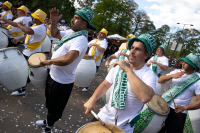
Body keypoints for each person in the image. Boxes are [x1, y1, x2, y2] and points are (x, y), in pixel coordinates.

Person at [35, 7, 94, 133]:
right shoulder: (72, 32)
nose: (72, 20)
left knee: (55, 107)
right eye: (74, 17)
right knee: (50, 103)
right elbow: (54, 34)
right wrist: (54, 21)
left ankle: (49, 127)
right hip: (53, 75)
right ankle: (48, 121)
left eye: (76, 18)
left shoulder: (81, 40)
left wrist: (48, 61)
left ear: (84, 23)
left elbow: (68, 59)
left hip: (62, 81)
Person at [83, 34, 157, 133]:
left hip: (123, 127)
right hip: (103, 117)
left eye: (138, 49)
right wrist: (92, 99)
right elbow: (105, 85)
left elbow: (145, 97)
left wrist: (127, 69)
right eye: (132, 48)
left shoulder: (149, 75)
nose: (132, 51)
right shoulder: (119, 66)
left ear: (146, 55)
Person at [158, 53, 200, 133]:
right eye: (183, 61)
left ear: (193, 66)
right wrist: (171, 76)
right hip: (164, 107)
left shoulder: (197, 80)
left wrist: (184, 107)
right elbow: (159, 80)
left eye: (186, 62)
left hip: (179, 113)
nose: (183, 63)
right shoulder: (176, 71)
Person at [11, 9, 47, 96]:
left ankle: (21, 89)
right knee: (23, 70)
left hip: (32, 54)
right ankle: (21, 86)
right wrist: (18, 40)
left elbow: (28, 31)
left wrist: (19, 25)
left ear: (38, 18)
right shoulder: (36, 25)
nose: (32, 17)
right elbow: (27, 35)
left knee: (26, 72)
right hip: (27, 52)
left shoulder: (40, 28)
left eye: (34, 16)